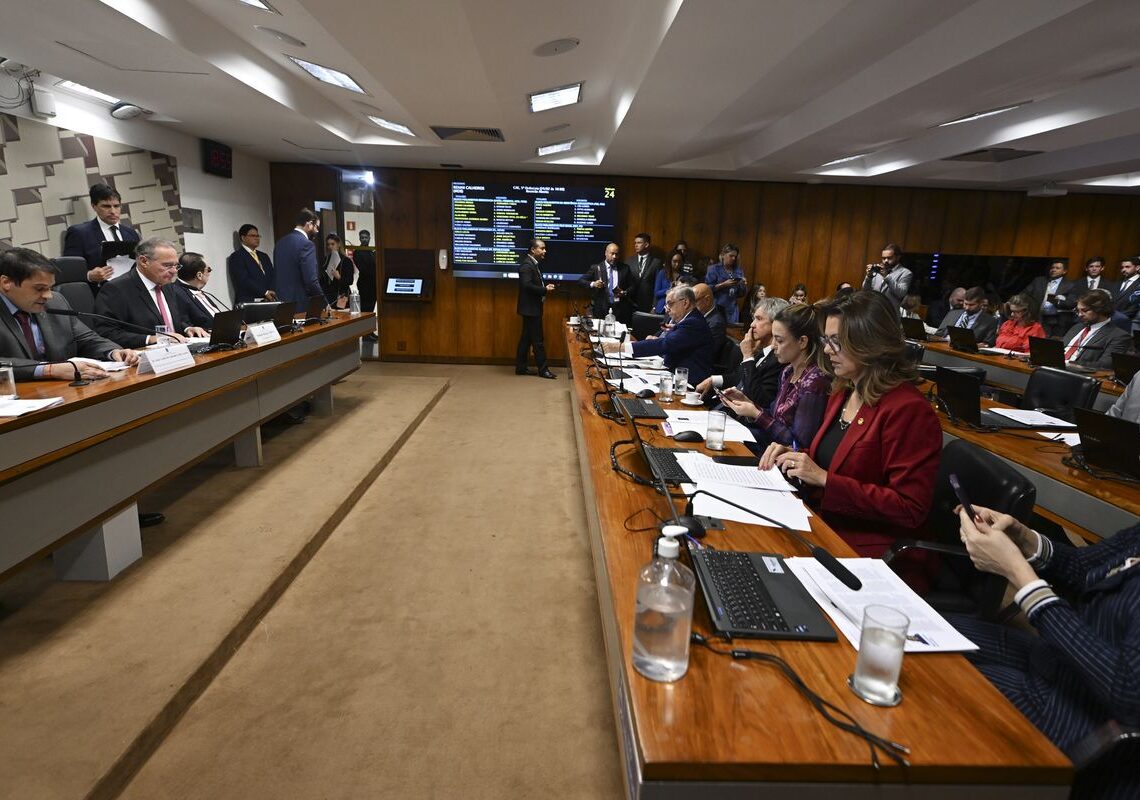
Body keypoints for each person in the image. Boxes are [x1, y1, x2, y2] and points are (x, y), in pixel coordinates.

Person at [950, 505, 1140, 794]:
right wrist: (1025, 540)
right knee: (915, 635)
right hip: (1058, 662)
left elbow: (1129, 692)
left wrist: (1018, 573)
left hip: (1083, 718)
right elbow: (1083, 568)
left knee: (935, 682)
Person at [759, 290, 942, 589]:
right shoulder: (844, 390)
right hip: (825, 524)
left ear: (870, 342)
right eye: (826, 339)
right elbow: (831, 457)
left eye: (836, 341)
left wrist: (825, 480)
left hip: (872, 551)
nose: (827, 350)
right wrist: (793, 454)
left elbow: (909, 508)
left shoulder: (908, 410)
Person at [0, 247, 138, 381]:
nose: (48, 295)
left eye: (50, 287)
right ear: (6, 282)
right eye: (40, 288)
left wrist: (114, 352)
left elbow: (86, 339)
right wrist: (49, 370)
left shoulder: (56, 301)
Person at [720, 303, 831, 452]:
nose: (773, 346)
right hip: (767, 448)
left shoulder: (814, 381)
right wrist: (749, 404)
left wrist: (756, 413)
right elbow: (774, 417)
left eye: (779, 340)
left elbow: (797, 445)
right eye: (773, 339)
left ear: (802, 342)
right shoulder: (788, 371)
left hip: (784, 462)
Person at [93, 238, 210, 348]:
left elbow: (169, 320)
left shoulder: (167, 285)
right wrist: (151, 339)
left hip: (178, 352)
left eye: (176, 266)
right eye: (167, 265)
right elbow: (107, 333)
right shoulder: (116, 289)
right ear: (144, 261)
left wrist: (187, 328)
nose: (174, 271)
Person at [606, 285, 714, 385]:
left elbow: (665, 344)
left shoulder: (693, 323)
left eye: (670, 304)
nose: (667, 309)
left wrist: (621, 347)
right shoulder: (687, 321)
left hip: (688, 383)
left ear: (685, 303)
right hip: (674, 374)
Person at [696, 297, 789, 408]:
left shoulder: (778, 359)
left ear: (776, 324)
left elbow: (759, 399)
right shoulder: (763, 352)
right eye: (753, 318)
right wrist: (714, 380)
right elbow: (739, 377)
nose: (752, 324)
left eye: (759, 319)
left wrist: (748, 356)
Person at [62, 182, 141, 291]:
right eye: (106, 206)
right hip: (101, 295)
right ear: (94, 206)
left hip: (132, 292)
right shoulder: (79, 233)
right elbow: (69, 271)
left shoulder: (131, 233)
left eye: (116, 206)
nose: (113, 211)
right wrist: (89, 276)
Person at [515, 238, 556, 379]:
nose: (545, 251)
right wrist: (544, 289)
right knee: (538, 340)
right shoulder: (527, 266)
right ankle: (543, 370)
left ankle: (520, 367)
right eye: (542, 248)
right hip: (530, 309)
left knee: (526, 339)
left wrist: (543, 289)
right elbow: (527, 286)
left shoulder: (533, 264)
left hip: (531, 308)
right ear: (533, 250)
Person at [1062, 290, 1132, 370]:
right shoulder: (1077, 327)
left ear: (1100, 309)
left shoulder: (1119, 336)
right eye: (1078, 310)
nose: (1080, 314)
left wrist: (1068, 363)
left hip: (1077, 375)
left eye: (1084, 310)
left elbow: (1106, 364)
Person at [273, 208, 325, 307]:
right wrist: (323, 302)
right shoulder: (307, 244)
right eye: (316, 227)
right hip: (301, 302)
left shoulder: (280, 243)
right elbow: (311, 280)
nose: (317, 231)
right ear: (309, 224)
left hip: (281, 302)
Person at [171, 252, 227, 329]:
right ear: (199, 275)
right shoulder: (176, 292)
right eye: (209, 270)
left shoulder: (196, 289)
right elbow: (185, 325)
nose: (210, 273)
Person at [578, 242, 630, 320]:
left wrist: (625, 292)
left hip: (619, 309)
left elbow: (633, 286)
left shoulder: (625, 268)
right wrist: (593, 284)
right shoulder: (596, 268)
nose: (614, 257)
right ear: (606, 253)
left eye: (617, 254)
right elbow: (581, 281)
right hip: (601, 309)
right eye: (612, 254)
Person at [1023, 260, 1074, 338]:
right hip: (1037, 317)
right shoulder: (1039, 281)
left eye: (1057, 268)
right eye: (1052, 267)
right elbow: (1025, 294)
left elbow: (1071, 303)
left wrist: (1057, 301)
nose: (1054, 270)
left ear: (1064, 271)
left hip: (1055, 320)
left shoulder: (1070, 285)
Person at [227, 224, 276, 304]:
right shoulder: (237, 257)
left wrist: (271, 291)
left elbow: (272, 276)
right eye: (253, 235)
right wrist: (265, 292)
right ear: (243, 238)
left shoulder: (264, 256)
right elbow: (243, 280)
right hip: (250, 302)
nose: (257, 238)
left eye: (258, 236)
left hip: (269, 300)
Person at [706, 243, 747, 323]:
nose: (733, 258)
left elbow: (741, 294)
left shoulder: (738, 270)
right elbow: (707, 289)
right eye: (731, 255)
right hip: (717, 307)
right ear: (723, 255)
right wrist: (723, 285)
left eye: (735, 256)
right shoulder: (714, 269)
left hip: (732, 309)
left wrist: (743, 285)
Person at [861, 243, 912, 307]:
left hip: (890, 313)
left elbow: (901, 293)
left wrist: (886, 277)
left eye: (889, 258)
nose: (885, 261)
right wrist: (869, 276)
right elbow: (865, 290)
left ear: (898, 257)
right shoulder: (877, 269)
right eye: (883, 258)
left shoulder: (905, 273)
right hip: (873, 310)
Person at [626, 232, 662, 314]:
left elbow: (658, 286)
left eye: (639, 243)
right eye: (635, 243)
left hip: (647, 304)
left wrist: (654, 306)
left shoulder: (656, 262)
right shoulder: (629, 261)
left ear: (646, 245)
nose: (636, 245)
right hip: (630, 304)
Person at [320, 234, 355, 308]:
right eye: (328, 244)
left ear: (338, 244)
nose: (330, 247)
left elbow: (350, 281)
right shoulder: (325, 260)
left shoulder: (346, 261)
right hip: (328, 296)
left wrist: (339, 277)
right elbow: (322, 281)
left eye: (333, 244)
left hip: (342, 296)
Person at [693, 282, 726, 355]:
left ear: (707, 300)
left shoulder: (716, 323)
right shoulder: (698, 316)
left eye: (694, 301)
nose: (691, 306)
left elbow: (707, 352)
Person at [1111, 255, 1139, 332]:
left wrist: (1116, 317)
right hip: (1109, 322)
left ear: (1137, 267)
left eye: (1127, 267)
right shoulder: (1117, 283)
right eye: (1122, 267)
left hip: (1126, 324)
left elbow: (1134, 308)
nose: (1123, 270)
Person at [354, 230, 378, 315]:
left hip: (373, 284)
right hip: (365, 285)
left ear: (369, 238)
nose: (364, 239)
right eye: (362, 237)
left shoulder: (371, 251)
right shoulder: (358, 252)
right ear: (359, 239)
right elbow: (364, 269)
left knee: (370, 309)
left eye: (366, 237)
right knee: (365, 310)